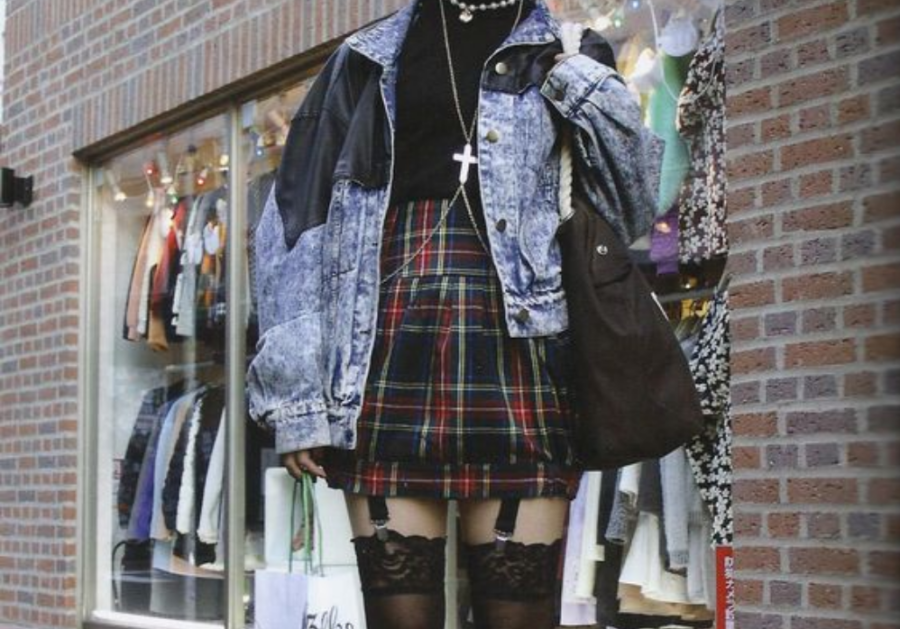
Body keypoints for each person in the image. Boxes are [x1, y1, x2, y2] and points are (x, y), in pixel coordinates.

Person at [247, 0, 664, 627]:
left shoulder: (571, 52)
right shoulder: (365, 59)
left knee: (518, 617)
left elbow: (632, 205)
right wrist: (297, 399)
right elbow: (296, 228)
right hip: (382, 347)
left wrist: (573, 76)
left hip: (522, 348)